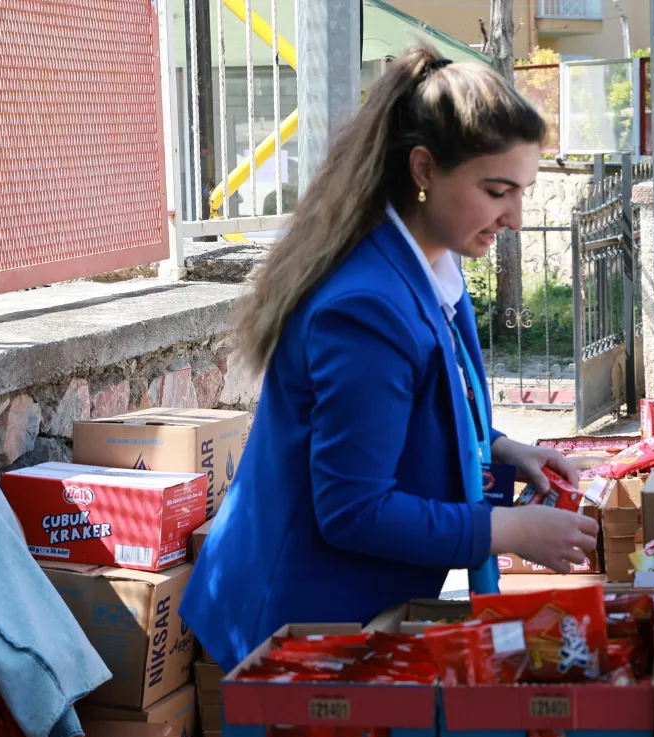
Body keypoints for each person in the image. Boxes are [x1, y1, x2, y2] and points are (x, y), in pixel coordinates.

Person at [180, 47, 599, 672]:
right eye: (496, 191)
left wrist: (500, 448)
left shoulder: (431, 259)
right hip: (297, 623)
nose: (514, 217)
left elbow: (423, 405)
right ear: (424, 168)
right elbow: (353, 509)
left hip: (343, 609)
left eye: (523, 191)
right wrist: (504, 532)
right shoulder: (367, 307)